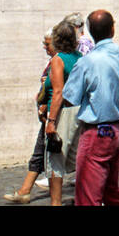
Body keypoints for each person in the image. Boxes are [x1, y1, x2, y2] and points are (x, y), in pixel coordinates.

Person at [62, 10, 119, 206]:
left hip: (97, 133)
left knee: (88, 197)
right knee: (111, 193)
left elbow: (70, 98)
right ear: (112, 29)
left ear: (90, 32)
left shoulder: (87, 62)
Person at [3, 31, 57, 204]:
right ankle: (26, 190)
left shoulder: (60, 62)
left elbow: (57, 91)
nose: (44, 47)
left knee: (48, 154)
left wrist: (48, 110)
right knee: (42, 152)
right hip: (48, 116)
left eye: (47, 44)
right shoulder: (53, 62)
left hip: (54, 116)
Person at [35, 21, 83, 205]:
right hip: (78, 112)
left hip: (63, 113)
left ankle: (56, 202)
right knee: (74, 156)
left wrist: (51, 121)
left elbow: (58, 92)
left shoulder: (58, 59)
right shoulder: (79, 57)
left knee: (55, 158)